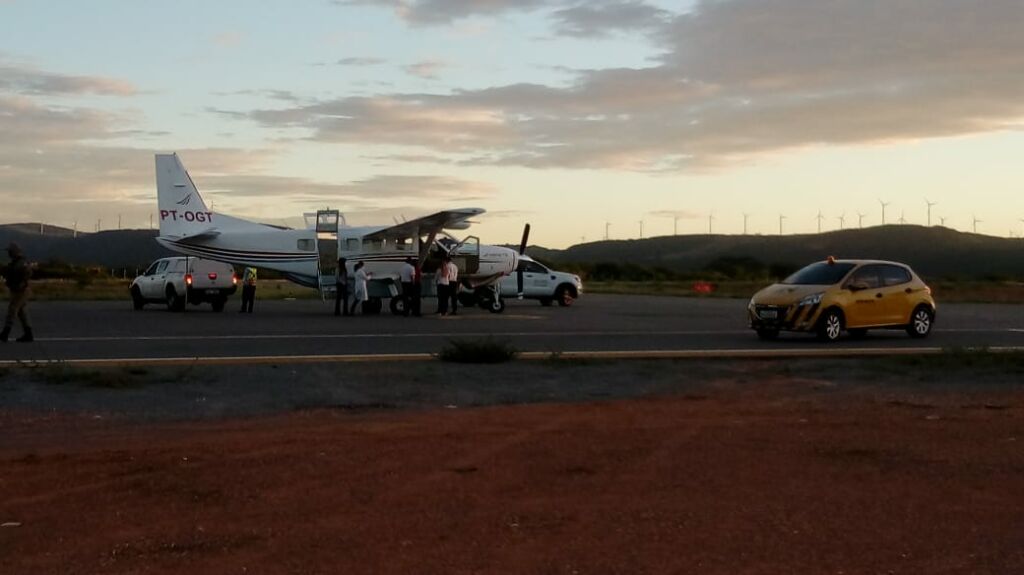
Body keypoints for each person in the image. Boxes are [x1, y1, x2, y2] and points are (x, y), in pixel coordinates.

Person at [1, 242, 33, 343]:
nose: (8, 254)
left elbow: (26, 273)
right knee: (21, 312)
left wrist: (21, 283)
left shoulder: (20, 262)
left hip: (21, 291)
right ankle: (28, 334)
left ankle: (5, 333)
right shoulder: (17, 262)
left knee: (13, 310)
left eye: (10, 251)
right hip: (18, 290)